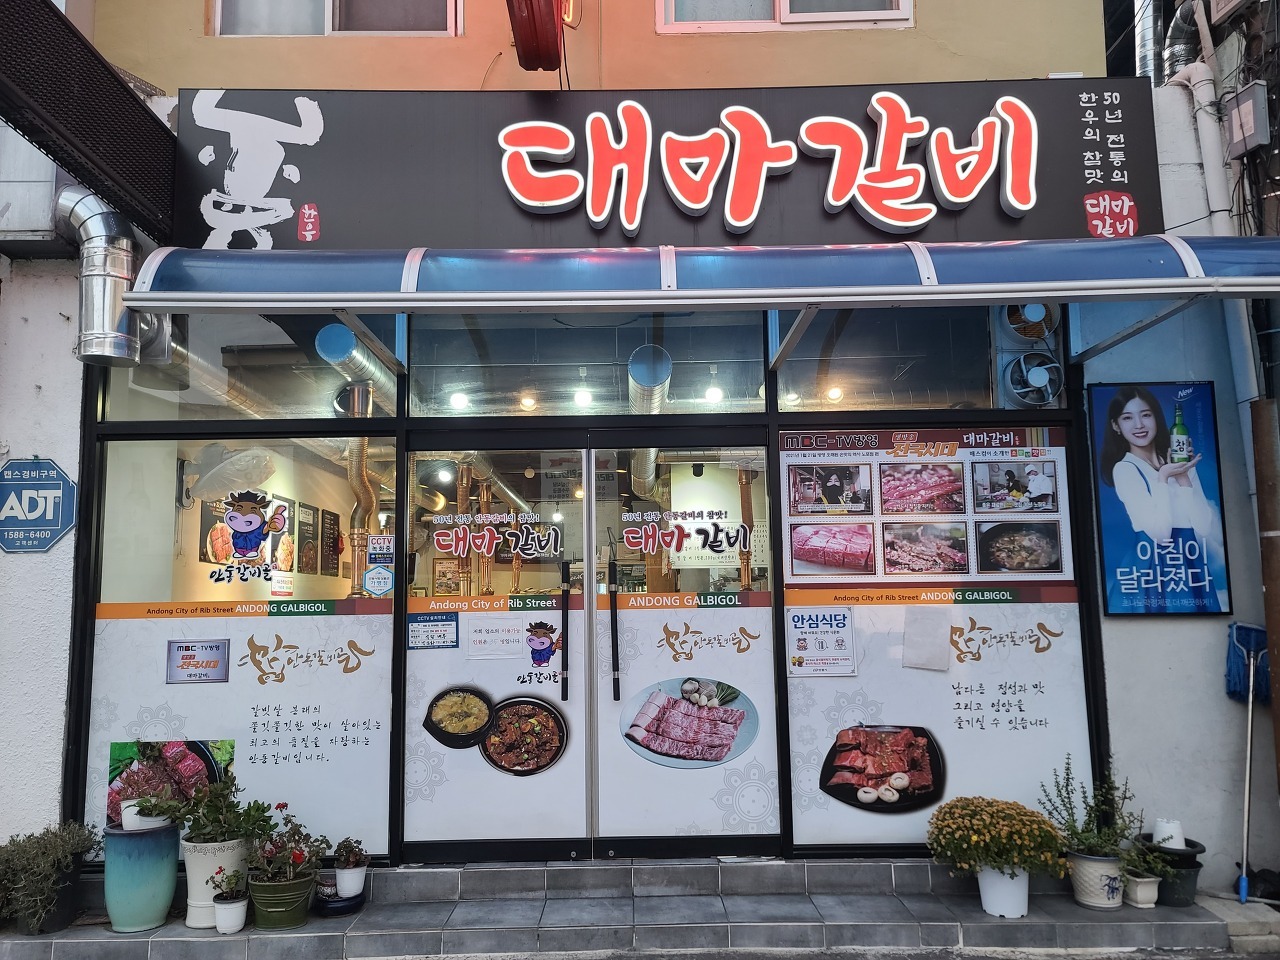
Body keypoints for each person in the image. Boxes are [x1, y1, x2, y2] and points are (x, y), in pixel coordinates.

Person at [1098, 385, 1220, 613]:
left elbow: (1204, 526)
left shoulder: (1178, 460)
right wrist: (1163, 478)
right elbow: (1161, 535)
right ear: (1116, 425)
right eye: (1127, 418)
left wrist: (1183, 477)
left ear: (1156, 417)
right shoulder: (1125, 469)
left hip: (1189, 560)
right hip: (1152, 565)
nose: (1139, 425)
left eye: (1146, 415)